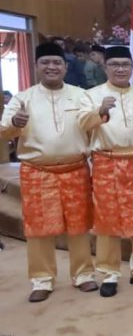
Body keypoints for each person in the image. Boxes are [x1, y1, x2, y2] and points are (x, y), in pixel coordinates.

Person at [0, 42, 97, 303]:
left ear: (65, 67)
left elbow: (90, 121)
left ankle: (84, 275)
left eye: (56, 63)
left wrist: (102, 113)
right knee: (39, 229)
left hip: (75, 170)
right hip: (38, 172)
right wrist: (13, 124)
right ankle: (42, 279)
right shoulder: (23, 98)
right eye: (46, 62)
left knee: (79, 225)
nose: (51, 67)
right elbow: (3, 130)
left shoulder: (80, 95)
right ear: (36, 67)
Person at [77, 46, 133, 297]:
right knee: (107, 221)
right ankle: (109, 273)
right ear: (105, 67)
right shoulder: (91, 95)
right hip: (106, 162)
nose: (120, 69)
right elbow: (82, 123)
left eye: (125, 64)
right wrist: (100, 111)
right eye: (115, 65)